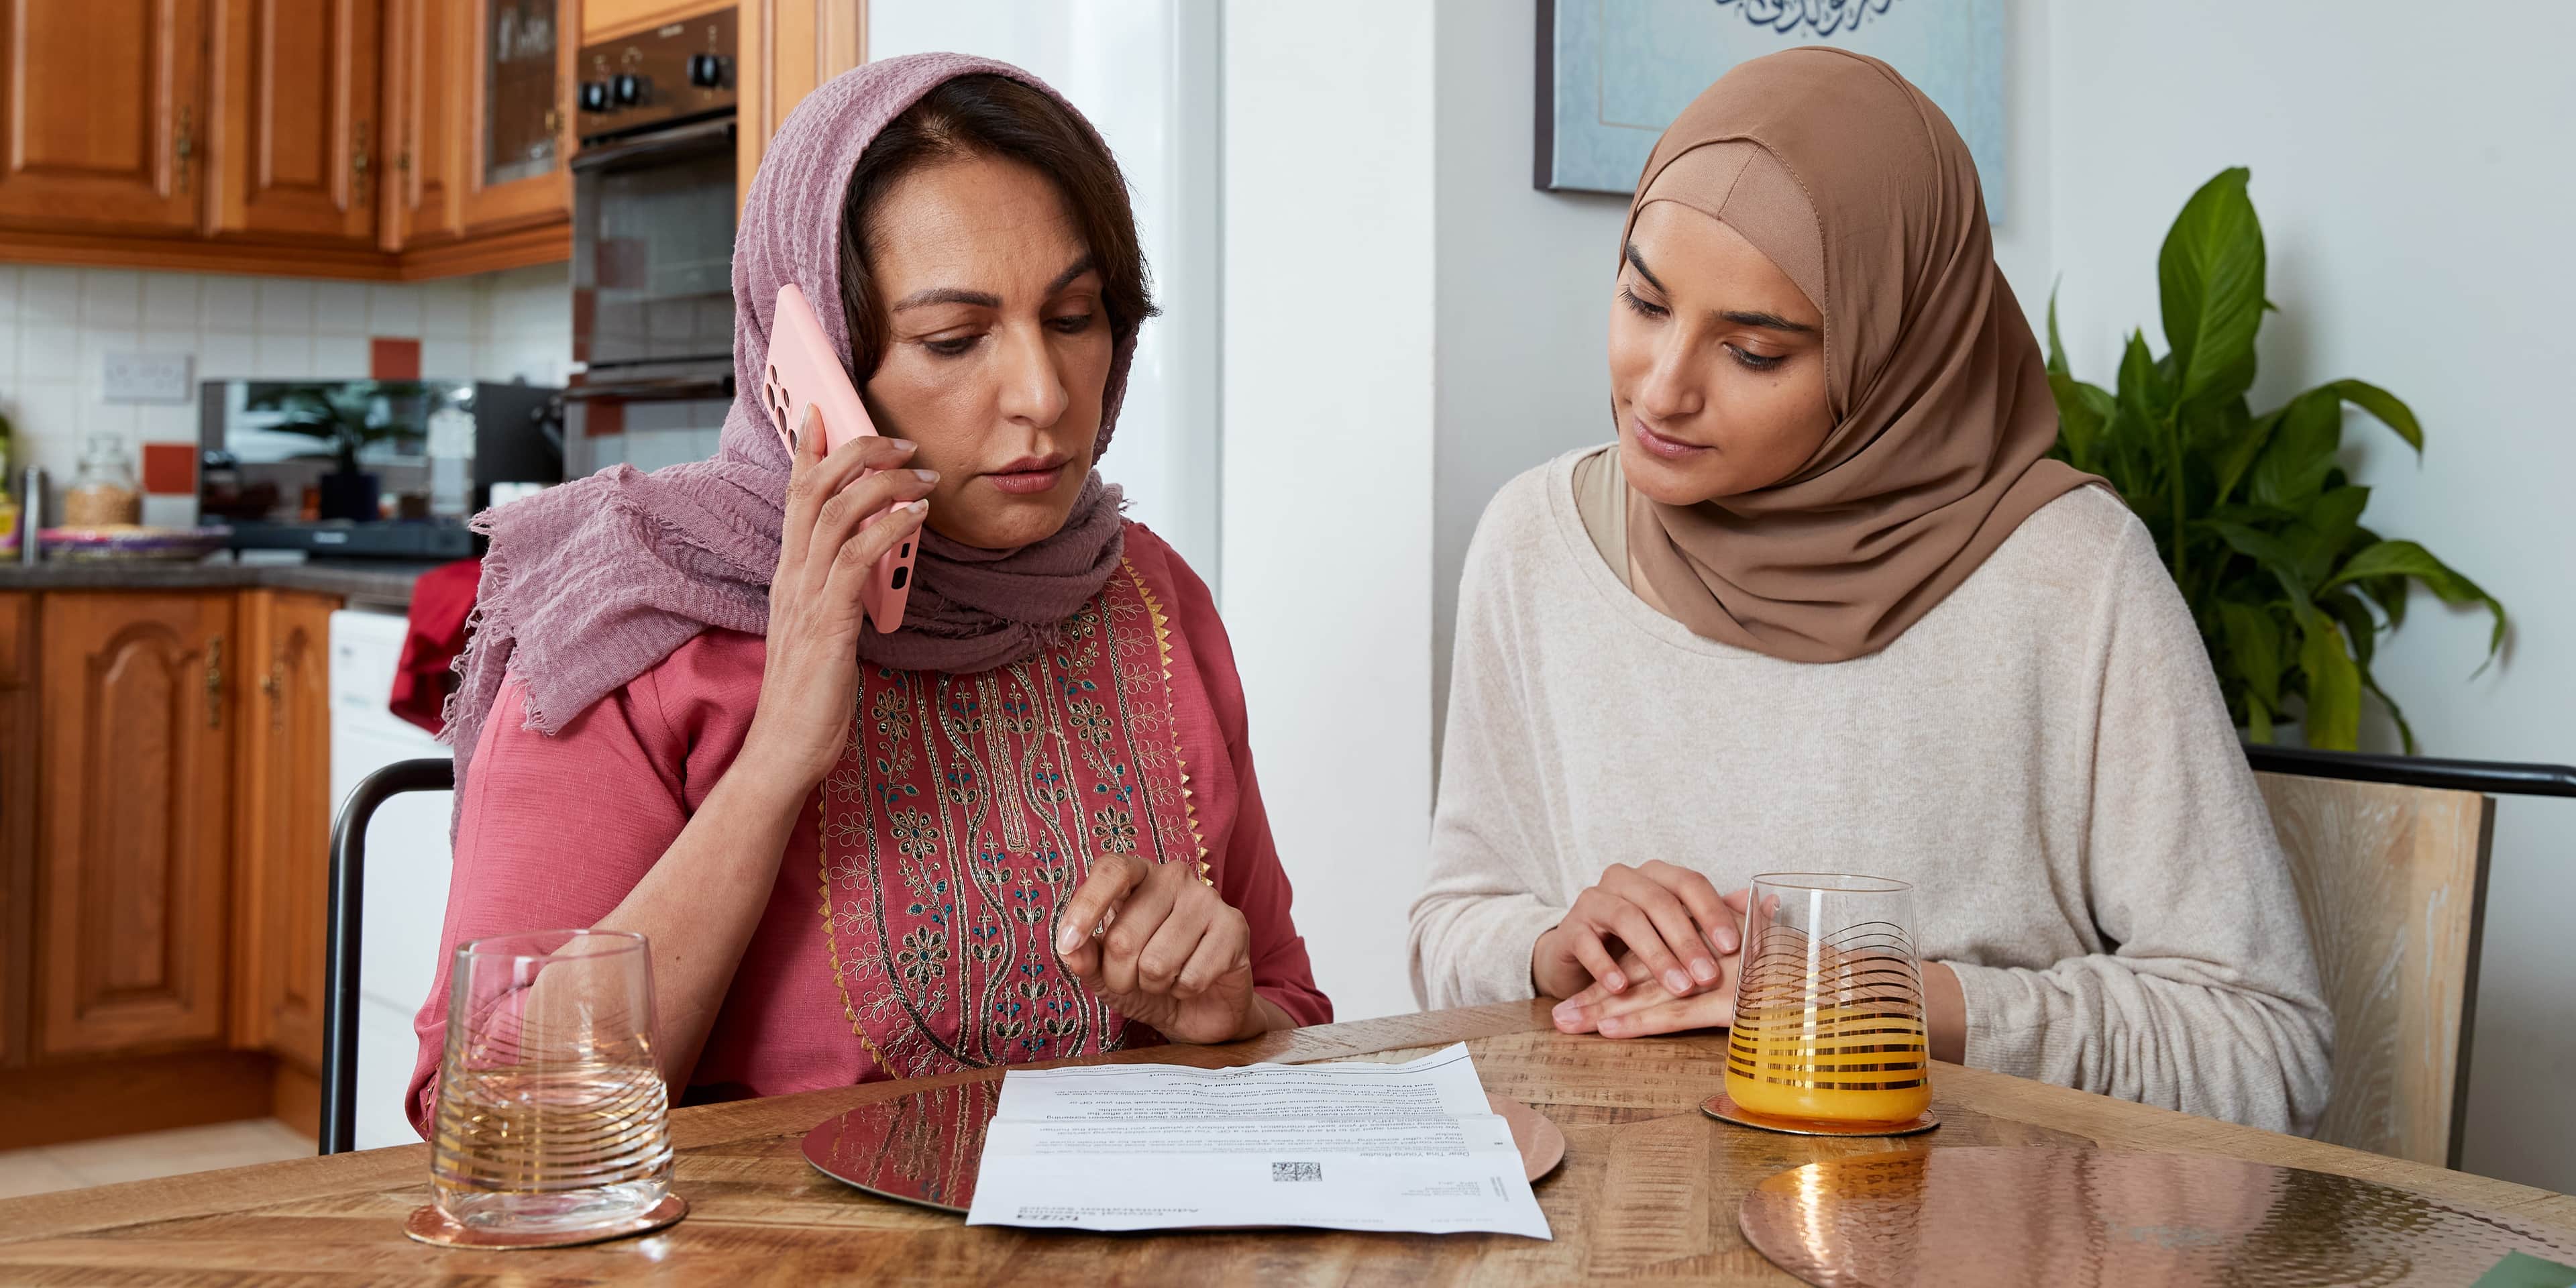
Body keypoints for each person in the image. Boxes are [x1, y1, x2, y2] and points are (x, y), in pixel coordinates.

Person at [1408, 49, 2330, 1134]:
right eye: (1643, 301)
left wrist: (1874, 1002)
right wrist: (1555, 943)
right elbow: (1451, 927)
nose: (1661, 387)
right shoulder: (1537, 543)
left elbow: (2264, 1049)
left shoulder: (2070, 575)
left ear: (1896, 356)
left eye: (1753, 352)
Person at [409, 54, 1328, 1129]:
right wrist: (779, 758)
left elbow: (1293, 1010)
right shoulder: (636, 624)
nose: (1042, 395)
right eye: (954, 339)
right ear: (820, 372)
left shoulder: (1151, 598)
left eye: (1075, 318)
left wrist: (1225, 1017)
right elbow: (495, 1113)